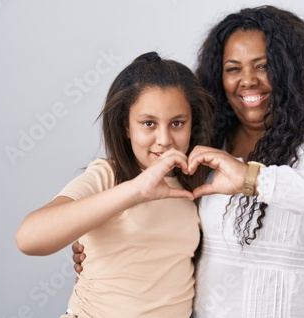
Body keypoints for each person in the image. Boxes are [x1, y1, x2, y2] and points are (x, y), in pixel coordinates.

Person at [73, 5, 304, 317]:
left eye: (263, 66)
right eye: (233, 68)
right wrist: (102, 245)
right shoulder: (207, 145)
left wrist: (253, 179)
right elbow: (170, 230)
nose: (247, 80)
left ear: (291, 69)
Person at [15, 51, 215, 317]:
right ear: (126, 127)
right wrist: (135, 191)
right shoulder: (108, 176)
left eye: (177, 123)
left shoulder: (193, 183)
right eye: (148, 124)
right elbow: (29, 238)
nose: (164, 139)